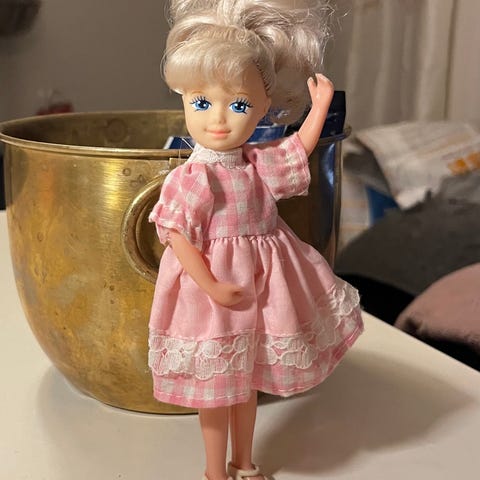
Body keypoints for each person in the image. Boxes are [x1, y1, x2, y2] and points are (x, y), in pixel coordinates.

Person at [148, 1, 363, 479]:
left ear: (264, 107)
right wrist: (211, 285)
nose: (219, 119)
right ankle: (214, 471)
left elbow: (298, 149)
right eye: (201, 103)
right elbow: (177, 236)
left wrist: (320, 108)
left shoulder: (255, 165)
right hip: (212, 296)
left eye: (239, 104)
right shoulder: (194, 178)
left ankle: (243, 462)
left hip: (261, 287)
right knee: (215, 393)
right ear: (183, 99)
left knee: (244, 384)